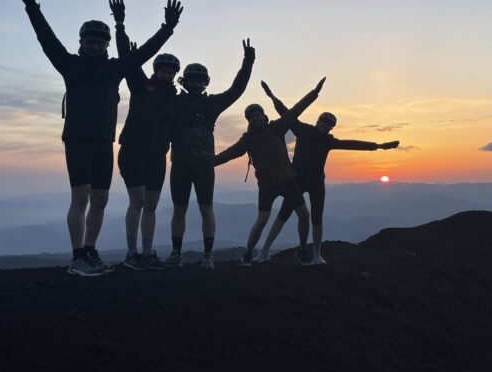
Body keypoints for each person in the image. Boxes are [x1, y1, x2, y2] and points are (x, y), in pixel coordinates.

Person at [13, 0, 178, 276]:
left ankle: (90, 251)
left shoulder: (115, 69)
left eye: (100, 42)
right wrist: (31, 6)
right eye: (90, 41)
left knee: (100, 199)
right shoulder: (70, 65)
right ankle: (77, 258)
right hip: (77, 139)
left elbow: (143, 53)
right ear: (82, 43)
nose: (95, 46)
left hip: (104, 142)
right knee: (80, 197)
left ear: (106, 45)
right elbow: (45, 39)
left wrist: (167, 28)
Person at [254, 81, 399, 265]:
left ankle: (316, 255)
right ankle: (265, 251)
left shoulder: (328, 140)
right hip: (295, 180)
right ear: (319, 121)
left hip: (315, 182)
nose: (326, 125)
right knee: (283, 214)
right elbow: (286, 113)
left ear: (331, 127)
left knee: (316, 218)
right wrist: (272, 96)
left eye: (330, 124)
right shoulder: (303, 130)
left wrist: (378, 146)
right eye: (325, 121)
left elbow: (352, 144)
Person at [214, 78, 326, 267]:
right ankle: (249, 254)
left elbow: (295, 110)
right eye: (252, 117)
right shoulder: (248, 139)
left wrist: (314, 92)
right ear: (249, 121)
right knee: (263, 219)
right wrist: (210, 162)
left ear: (264, 116)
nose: (256, 119)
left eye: (259, 115)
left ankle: (302, 249)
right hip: (267, 185)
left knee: (304, 215)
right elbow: (229, 153)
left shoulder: (277, 128)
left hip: (288, 180)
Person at [166, 40, 255, 270]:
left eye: (199, 80)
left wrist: (247, 63)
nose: (196, 83)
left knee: (206, 208)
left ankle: (207, 255)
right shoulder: (174, 102)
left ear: (204, 82)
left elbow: (237, 90)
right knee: (180, 209)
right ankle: (176, 253)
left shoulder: (211, 104)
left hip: (203, 164)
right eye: (192, 80)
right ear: (185, 82)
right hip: (182, 164)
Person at [114, 0, 183, 270]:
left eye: (170, 71)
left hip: (156, 156)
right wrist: (120, 25)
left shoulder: (175, 101)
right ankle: (132, 254)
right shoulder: (141, 86)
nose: (166, 74)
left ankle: (147, 252)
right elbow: (128, 61)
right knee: (138, 201)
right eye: (163, 70)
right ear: (155, 70)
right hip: (132, 151)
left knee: (152, 204)